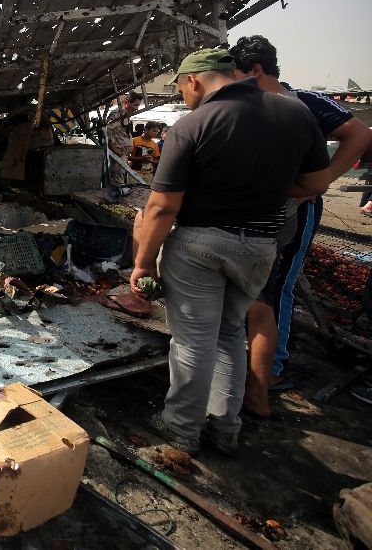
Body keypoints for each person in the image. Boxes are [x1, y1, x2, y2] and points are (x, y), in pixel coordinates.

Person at [131, 48, 330, 456]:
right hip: (260, 245)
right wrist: (266, 194)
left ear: (194, 81)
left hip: (198, 246)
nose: (185, 96)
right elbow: (316, 183)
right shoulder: (295, 114)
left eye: (183, 89)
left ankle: (181, 429)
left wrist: (143, 261)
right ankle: (226, 429)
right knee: (230, 334)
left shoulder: (194, 124)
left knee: (192, 341)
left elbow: (162, 206)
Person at [229, 35, 372, 417]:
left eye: (239, 76)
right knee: (257, 288)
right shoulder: (251, 106)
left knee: (279, 289)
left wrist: (319, 184)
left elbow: (360, 134)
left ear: (257, 70)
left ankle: (271, 371)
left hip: (295, 209)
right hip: (258, 211)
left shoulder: (304, 101)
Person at [105, 93, 143, 188]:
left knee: (121, 180)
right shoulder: (117, 114)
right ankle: (114, 201)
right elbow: (107, 129)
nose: (136, 108)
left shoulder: (126, 115)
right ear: (127, 102)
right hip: (118, 154)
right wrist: (113, 147)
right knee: (117, 183)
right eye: (135, 105)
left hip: (123, 155)